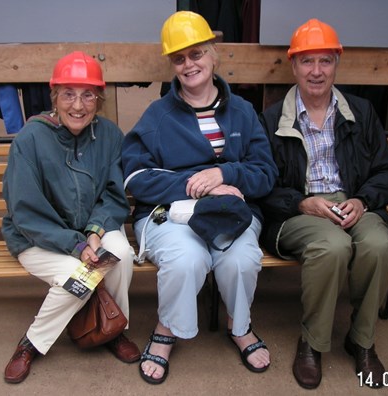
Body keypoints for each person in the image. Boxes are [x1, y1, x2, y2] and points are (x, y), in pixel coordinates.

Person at [122, 11, 278, 385]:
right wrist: (198, 182)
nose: (189, 64)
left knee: (241, 258)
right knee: (187, 258)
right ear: (172, 65)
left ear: (213, 55)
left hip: (231, 210)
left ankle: (239, 326)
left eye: (197, 54)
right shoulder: (158, 115)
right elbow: (135, 178)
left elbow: (267, 173)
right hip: (170, 212)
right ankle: (166, 330)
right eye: (179, 58)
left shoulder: (242, 111)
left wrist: (226, 173)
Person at [258, 19, 388, 389]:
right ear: (293, 66)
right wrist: (303, 202)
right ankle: (313, 341)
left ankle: (361, 339)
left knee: (377, 243)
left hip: (355, 203)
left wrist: (363, 200)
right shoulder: (272, 120)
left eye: (325, 61)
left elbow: (387, 170)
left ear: (337, 63)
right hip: (298, 210)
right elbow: (261, 184)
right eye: (307, 62)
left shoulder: (361, 112)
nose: (317, 71)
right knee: (332, 245)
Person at [2, 51, 140, 384]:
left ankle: (114, 327)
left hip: (91, 229)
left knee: (121, 255)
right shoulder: (30, 139)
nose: (78, 105)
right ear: (55, 97)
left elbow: (113, 193)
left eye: (88, 94)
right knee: (80, 276)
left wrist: (94, 232)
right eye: (68, 94)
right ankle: (31, 344)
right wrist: (78, 245)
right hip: (37, 237)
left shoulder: (108, 135)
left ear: (99, 99)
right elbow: (26, 212)